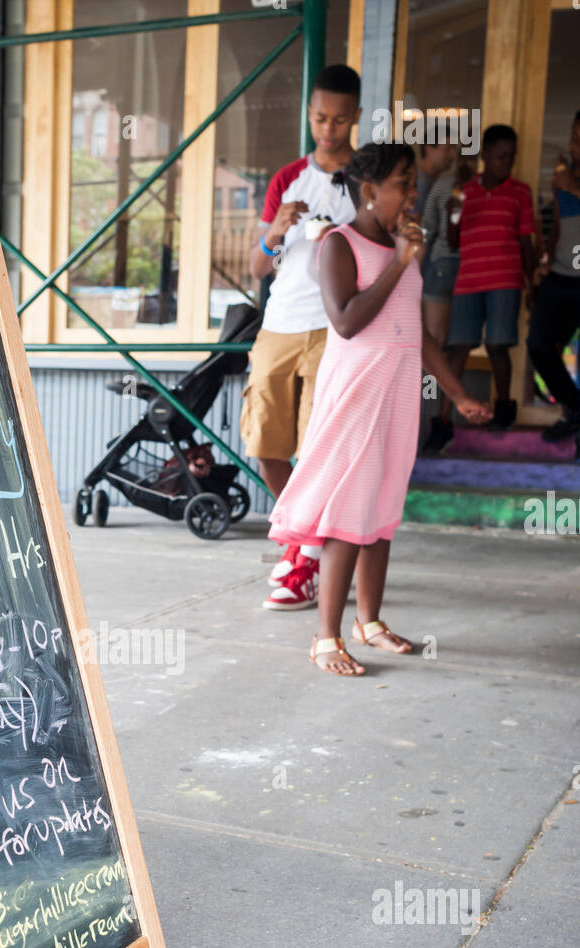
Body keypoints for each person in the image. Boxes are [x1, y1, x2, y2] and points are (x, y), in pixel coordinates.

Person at [267, 143, 490, 676]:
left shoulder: (400, 245)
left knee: (382, 511)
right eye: (402, 184)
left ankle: (370, 622)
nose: (412, 194)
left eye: (413, 184)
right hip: (355, 393)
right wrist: (401, 263)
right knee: (348, 514)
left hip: (396, 394)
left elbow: (415, 331)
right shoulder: (338, 246)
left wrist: (457, 394)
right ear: (369, 191)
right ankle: (326, 638)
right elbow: (345, 321)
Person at [242, 63, 361, 611]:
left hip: (336, 328)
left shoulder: (366, 180)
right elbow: (257, 269)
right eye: (319, 118)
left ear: (356, 117)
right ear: (309, 114)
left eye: (339, 119)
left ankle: (306, 559)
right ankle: (298, 535)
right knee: (264, 442)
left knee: (315, 448)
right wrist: (274, 232)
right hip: (278, 324)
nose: (328, 129)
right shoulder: (286, 178)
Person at [425, 124, 536, 452]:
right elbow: (453, 239)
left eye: (511, 157)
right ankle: (442, 422)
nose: (507, 163)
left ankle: (503, 412)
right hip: (468, 281)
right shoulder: (465, 191)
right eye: (501, 156)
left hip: (506, 280)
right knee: (458, 349)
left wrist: (533, 283)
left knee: (498, 346)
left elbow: (526, 241)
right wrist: (454, 211)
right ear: (485, 155)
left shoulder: (520, 192)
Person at [527, 111, 580, 443]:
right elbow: (558, 227)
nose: (577, 145)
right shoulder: (564, 179)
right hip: (560, 276)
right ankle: (574, 409)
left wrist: (570, 186)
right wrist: (544, 260)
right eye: (575, 137)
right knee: (540, 345)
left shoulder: (566, 181)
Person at [421, 154, 476, 348]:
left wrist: (417, 262)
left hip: (442, 263)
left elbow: (427, 223)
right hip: (471, 269)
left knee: (434, 343)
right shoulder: (482, 185)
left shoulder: (444, 180)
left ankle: (431, 380)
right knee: (457, 346)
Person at [413, 135, 456, 219]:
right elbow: (416, 221)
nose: (453, 155)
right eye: (447, 149)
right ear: (428, 149)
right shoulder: (420, 183)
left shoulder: (437, 181)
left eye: (454, 149)